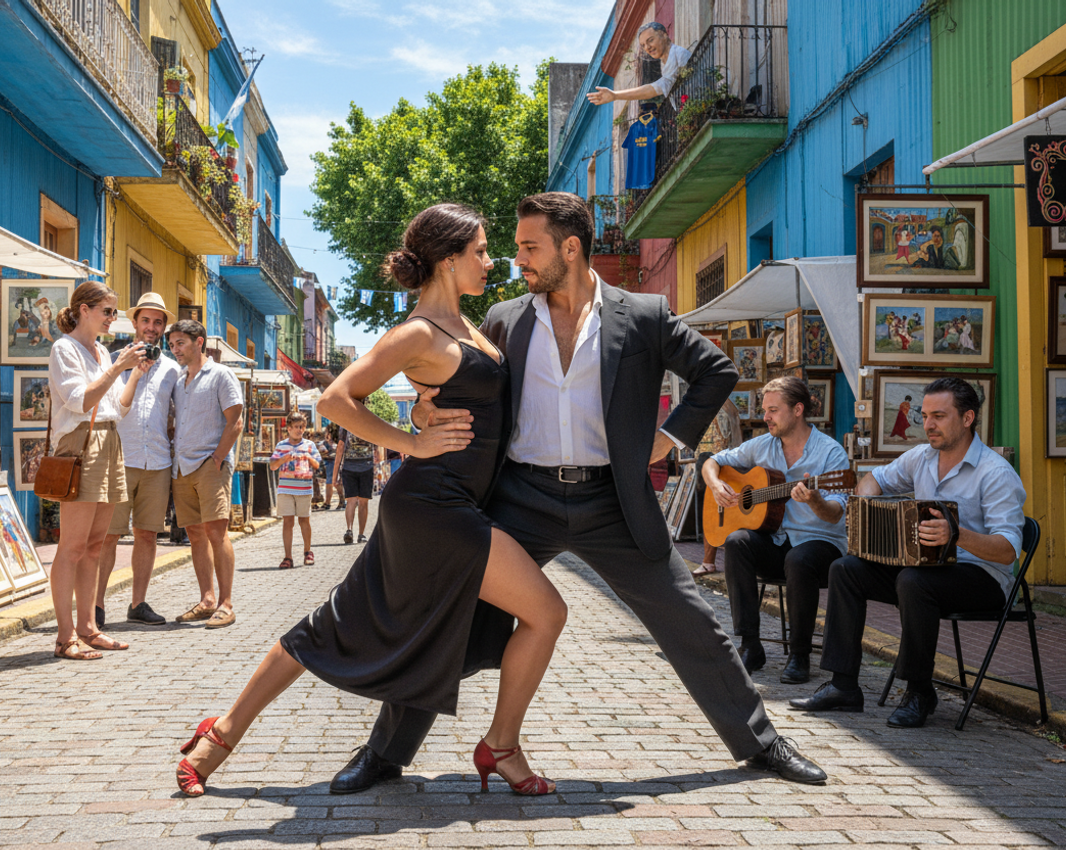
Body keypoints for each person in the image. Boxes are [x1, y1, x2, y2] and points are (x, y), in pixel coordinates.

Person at [327, 192, 826, 796]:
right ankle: (384, 753)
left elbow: (715, 369)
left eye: (530, 247)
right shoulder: (505, 320)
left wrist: (669, 438)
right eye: (513, 248)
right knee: (455, 617)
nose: (518, 260)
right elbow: (459, 382)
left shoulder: (642, 313)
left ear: (571, 247)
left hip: (612, 501)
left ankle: (761, 742)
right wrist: (425, 415)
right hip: (519, 498)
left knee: (690, 620)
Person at [175, 203, 567, 799]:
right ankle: (502, 747)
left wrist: (427, 416)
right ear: (447, 258)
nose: (491, 262)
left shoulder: (469, 330)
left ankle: (220, 734)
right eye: (481, 251)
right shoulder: (417, 332)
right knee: (546, 612)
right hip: (434, 507)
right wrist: (412, 439)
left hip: (454, 504)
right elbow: (335, 399)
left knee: (335, 623)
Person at [790, 377, 1026, 728]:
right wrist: (865, 502)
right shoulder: (922, 457)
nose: (927, 424)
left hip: (982, 578)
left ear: (967, 418)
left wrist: (956, 534)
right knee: (846, 568)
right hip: (925, 569)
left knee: (914, 581)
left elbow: (1007, 551)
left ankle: (919, 691)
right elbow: (875, 479)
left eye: (939, 416)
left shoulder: (995, 472)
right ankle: (843, 686)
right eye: (925, 414)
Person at [703, 377, 849, 686]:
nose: (765, 416)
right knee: (738, 541)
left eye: (773, 410)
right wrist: (716, 485)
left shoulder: (830, 453)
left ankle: (799, 655)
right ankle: (750, 645)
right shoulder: (762, 446)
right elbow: (712, 462)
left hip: (819, 543)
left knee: (799, 559)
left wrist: (816, 501)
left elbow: (836, 515)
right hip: (777, 540)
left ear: (798, 410)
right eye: (764, 409)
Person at [47, 280, 152, 661]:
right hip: (81, 443)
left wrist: (134, 374)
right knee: (72, 546)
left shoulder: (102, 353)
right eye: (108, 311)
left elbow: (116, 408)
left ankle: (88, 627)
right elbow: (80, 401)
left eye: (114, 311)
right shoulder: (65, 349)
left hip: (109, 441)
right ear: (84, 310)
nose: (113, 318)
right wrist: (117, 367)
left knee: (95, 544)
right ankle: (64, 636)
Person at [93, 292, 181, 629]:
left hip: (157, 461)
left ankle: (138, 603)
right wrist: (133, 372)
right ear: (134, 323)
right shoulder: (113, 361)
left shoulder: (172, 369)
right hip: (119, 458)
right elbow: (113, 408)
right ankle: (97, 606)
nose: (152, 327)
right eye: (146, 320)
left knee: (147, 535)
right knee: (108, 536)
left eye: (158, 322)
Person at [168, 318, 244, 629]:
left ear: (199, 342)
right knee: (196, 535)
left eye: (180, 343)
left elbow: (235, 421)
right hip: (182, 467)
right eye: (172, 345)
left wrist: (217, 457)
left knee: (216, 533)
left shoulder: (221, 375)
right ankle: (207, 599)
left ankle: (226, 603)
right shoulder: (179, 380)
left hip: (210, 465)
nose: (175, 350)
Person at [586, 22, 693, 109]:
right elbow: (653, 88)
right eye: (643, 45)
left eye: (650, 40)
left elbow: (694, 81)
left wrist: (615, 95)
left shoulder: (680, 54)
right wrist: (615, 95)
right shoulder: (664, 66)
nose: (647, 47)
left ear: (663, 35)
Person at [270, 412, 322, 569]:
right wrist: (284, 459)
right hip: (285, 488)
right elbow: (273, 466)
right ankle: (288, 557)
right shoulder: (281, 446)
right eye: (296, 427)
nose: (300, 430)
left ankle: (308, 552)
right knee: (287, 522)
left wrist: (307, 457)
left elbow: (317, 464)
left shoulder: (309, 445)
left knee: (304, 520)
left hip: (304, 488)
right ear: (289, 428)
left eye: (302, 427)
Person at [333, 425, 375, 544]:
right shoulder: (369, 421)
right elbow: (377, 444)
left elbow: (340, 447)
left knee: (351, 500)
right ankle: (361, 534)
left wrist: (334, 475)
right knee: (363, 502)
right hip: (366, 466)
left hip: (349, 467)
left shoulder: (345, 423)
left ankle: (349, 529)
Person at [319, 424, 341, 510]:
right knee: (331, 483)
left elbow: (326, 451)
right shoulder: (326, 442)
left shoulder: (332, 443)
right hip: (329, 464)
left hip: (332, 463)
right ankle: (329, 502)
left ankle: (329, 502)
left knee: (331, 483)